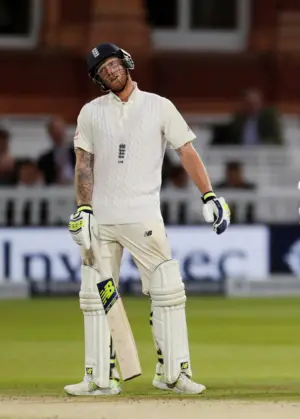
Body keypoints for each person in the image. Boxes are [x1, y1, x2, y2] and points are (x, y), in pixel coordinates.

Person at [64, 43, 231, 396]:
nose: (109, 71)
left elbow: (186, 150)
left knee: (168, 292)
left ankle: (172, 374)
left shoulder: (159, 106)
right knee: (95, 297)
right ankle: (99, 378)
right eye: (101, 70)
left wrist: (209, 194)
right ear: (97, 79)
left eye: (112, 63)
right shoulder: (90, 112)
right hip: (102, 219)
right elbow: (84, 163)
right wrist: (83, 208)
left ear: (125, 62)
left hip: (144, 217)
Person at [37, 116, 76, 185]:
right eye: (55, 130)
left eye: (60, 129)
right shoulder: (45, 159)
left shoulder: (77, 153)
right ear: (50, 133)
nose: (58, 133)